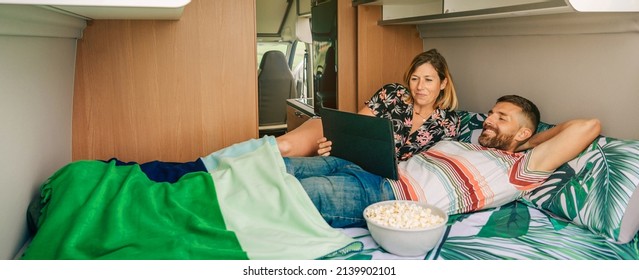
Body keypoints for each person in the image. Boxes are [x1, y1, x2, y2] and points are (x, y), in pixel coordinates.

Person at [284, 95, 601, 228]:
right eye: (490, 113)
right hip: (366, 168)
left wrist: (527, 143)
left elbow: (588, 127)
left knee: (286, 197)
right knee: (276, 169)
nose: (488, 120)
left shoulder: (519, 169)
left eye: (501, 118)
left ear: (523, 132)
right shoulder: (464, 143)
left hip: (389, 197)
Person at [277, 48, 460, 160]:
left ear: (443, 83)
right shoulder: (392, 94)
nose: (420, 87)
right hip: (352, 159)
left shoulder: (449, 123)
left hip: (381, 180)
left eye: (428, 80)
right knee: (283, 153)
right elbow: (355, 130)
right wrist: (333, 146)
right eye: (415, 79)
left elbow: (435, 164)